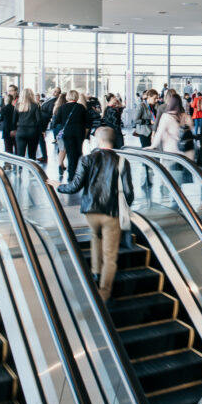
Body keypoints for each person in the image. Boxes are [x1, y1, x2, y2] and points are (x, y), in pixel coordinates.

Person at [50, 127, 133, 300]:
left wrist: (58, 185)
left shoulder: (87, 159)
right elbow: (128, 193)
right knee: (110, 255)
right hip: (111, 213)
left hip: (91, 211)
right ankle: (104, 292)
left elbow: (75, 186)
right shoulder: (122, 161)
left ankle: (95, 271)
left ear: (99, 140)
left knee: (96, 238)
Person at [54, 90, 89, 182]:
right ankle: (78, 173)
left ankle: (71, 175)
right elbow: (87, 122)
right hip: (79, 132)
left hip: (67, 132)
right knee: (78, 152)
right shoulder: (81, 107)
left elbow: (57, 121)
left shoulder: (62, 107)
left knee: (70, 153)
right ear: (76, 97)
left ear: (67, 97)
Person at [148, 93, 193, 160]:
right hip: (187, 153)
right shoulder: (187, 117)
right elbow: (191, 131)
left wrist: (152, 146)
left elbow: (159, 133)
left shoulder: (166, 116)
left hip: (171, 153)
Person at [12, 88, 43, 160]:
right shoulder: (35, 105)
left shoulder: (18, 105)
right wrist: (41, 130)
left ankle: (19, 170)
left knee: (20, 155)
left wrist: (13, 129)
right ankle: (32, 171)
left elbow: (14, 120)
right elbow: (39, 120)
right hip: (33, 131)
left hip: (20, 131)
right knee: (32, 155)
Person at [39, 86, 61, 162]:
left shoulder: (55, 101)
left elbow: (50, 113)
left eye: (56, 92)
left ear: (59, 94)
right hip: (42, 119)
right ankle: (44, 155)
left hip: (43, 120)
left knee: (40, 138)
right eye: (54, 91)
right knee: (40, 138)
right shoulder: (50, 99)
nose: (54, 92)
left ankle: (44, 156)